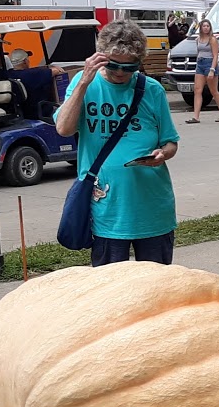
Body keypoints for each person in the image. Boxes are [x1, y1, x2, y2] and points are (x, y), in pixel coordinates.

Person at [55, 19, 180, 265]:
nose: (121, 73)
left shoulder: (152, 90)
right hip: (108, 210)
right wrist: (83, 82)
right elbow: (64, 129)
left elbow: (171, 142)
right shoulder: (85, 83)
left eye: (130, 67)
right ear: (100, 57)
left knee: (156, 289)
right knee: (111, 291)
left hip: (152, 209)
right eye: (114, 66)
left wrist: (163, 154)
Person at [186, 19, 219, 122]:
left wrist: (212, 70)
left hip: (209, 64)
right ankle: (196, 116)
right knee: (197, 90)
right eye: (204, 26)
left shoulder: (212, 39)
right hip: (200, 64)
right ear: (201, 28)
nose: (206, 28)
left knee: (213, 91)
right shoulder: (198, 39)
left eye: (207, 26)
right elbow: (198, 52)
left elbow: (215, 55)